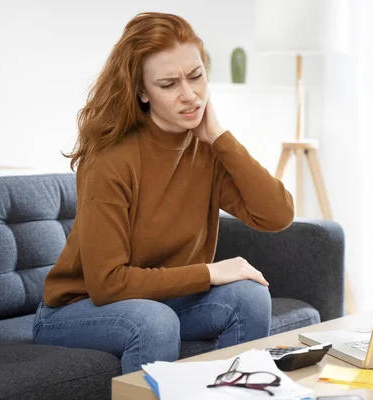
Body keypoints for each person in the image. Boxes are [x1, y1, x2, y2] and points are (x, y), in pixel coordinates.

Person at [33, 11, 294, 374]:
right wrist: (209, 272)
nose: (190, 96)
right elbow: (108, 285)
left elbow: (277, 215)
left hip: (160, 299)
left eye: (196, 76)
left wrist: (221, 139)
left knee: (250, 297)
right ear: (142, 92)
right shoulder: (111, 161)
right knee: (153, 320)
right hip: (75, 310)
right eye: (169, 84)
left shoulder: (207, 149)